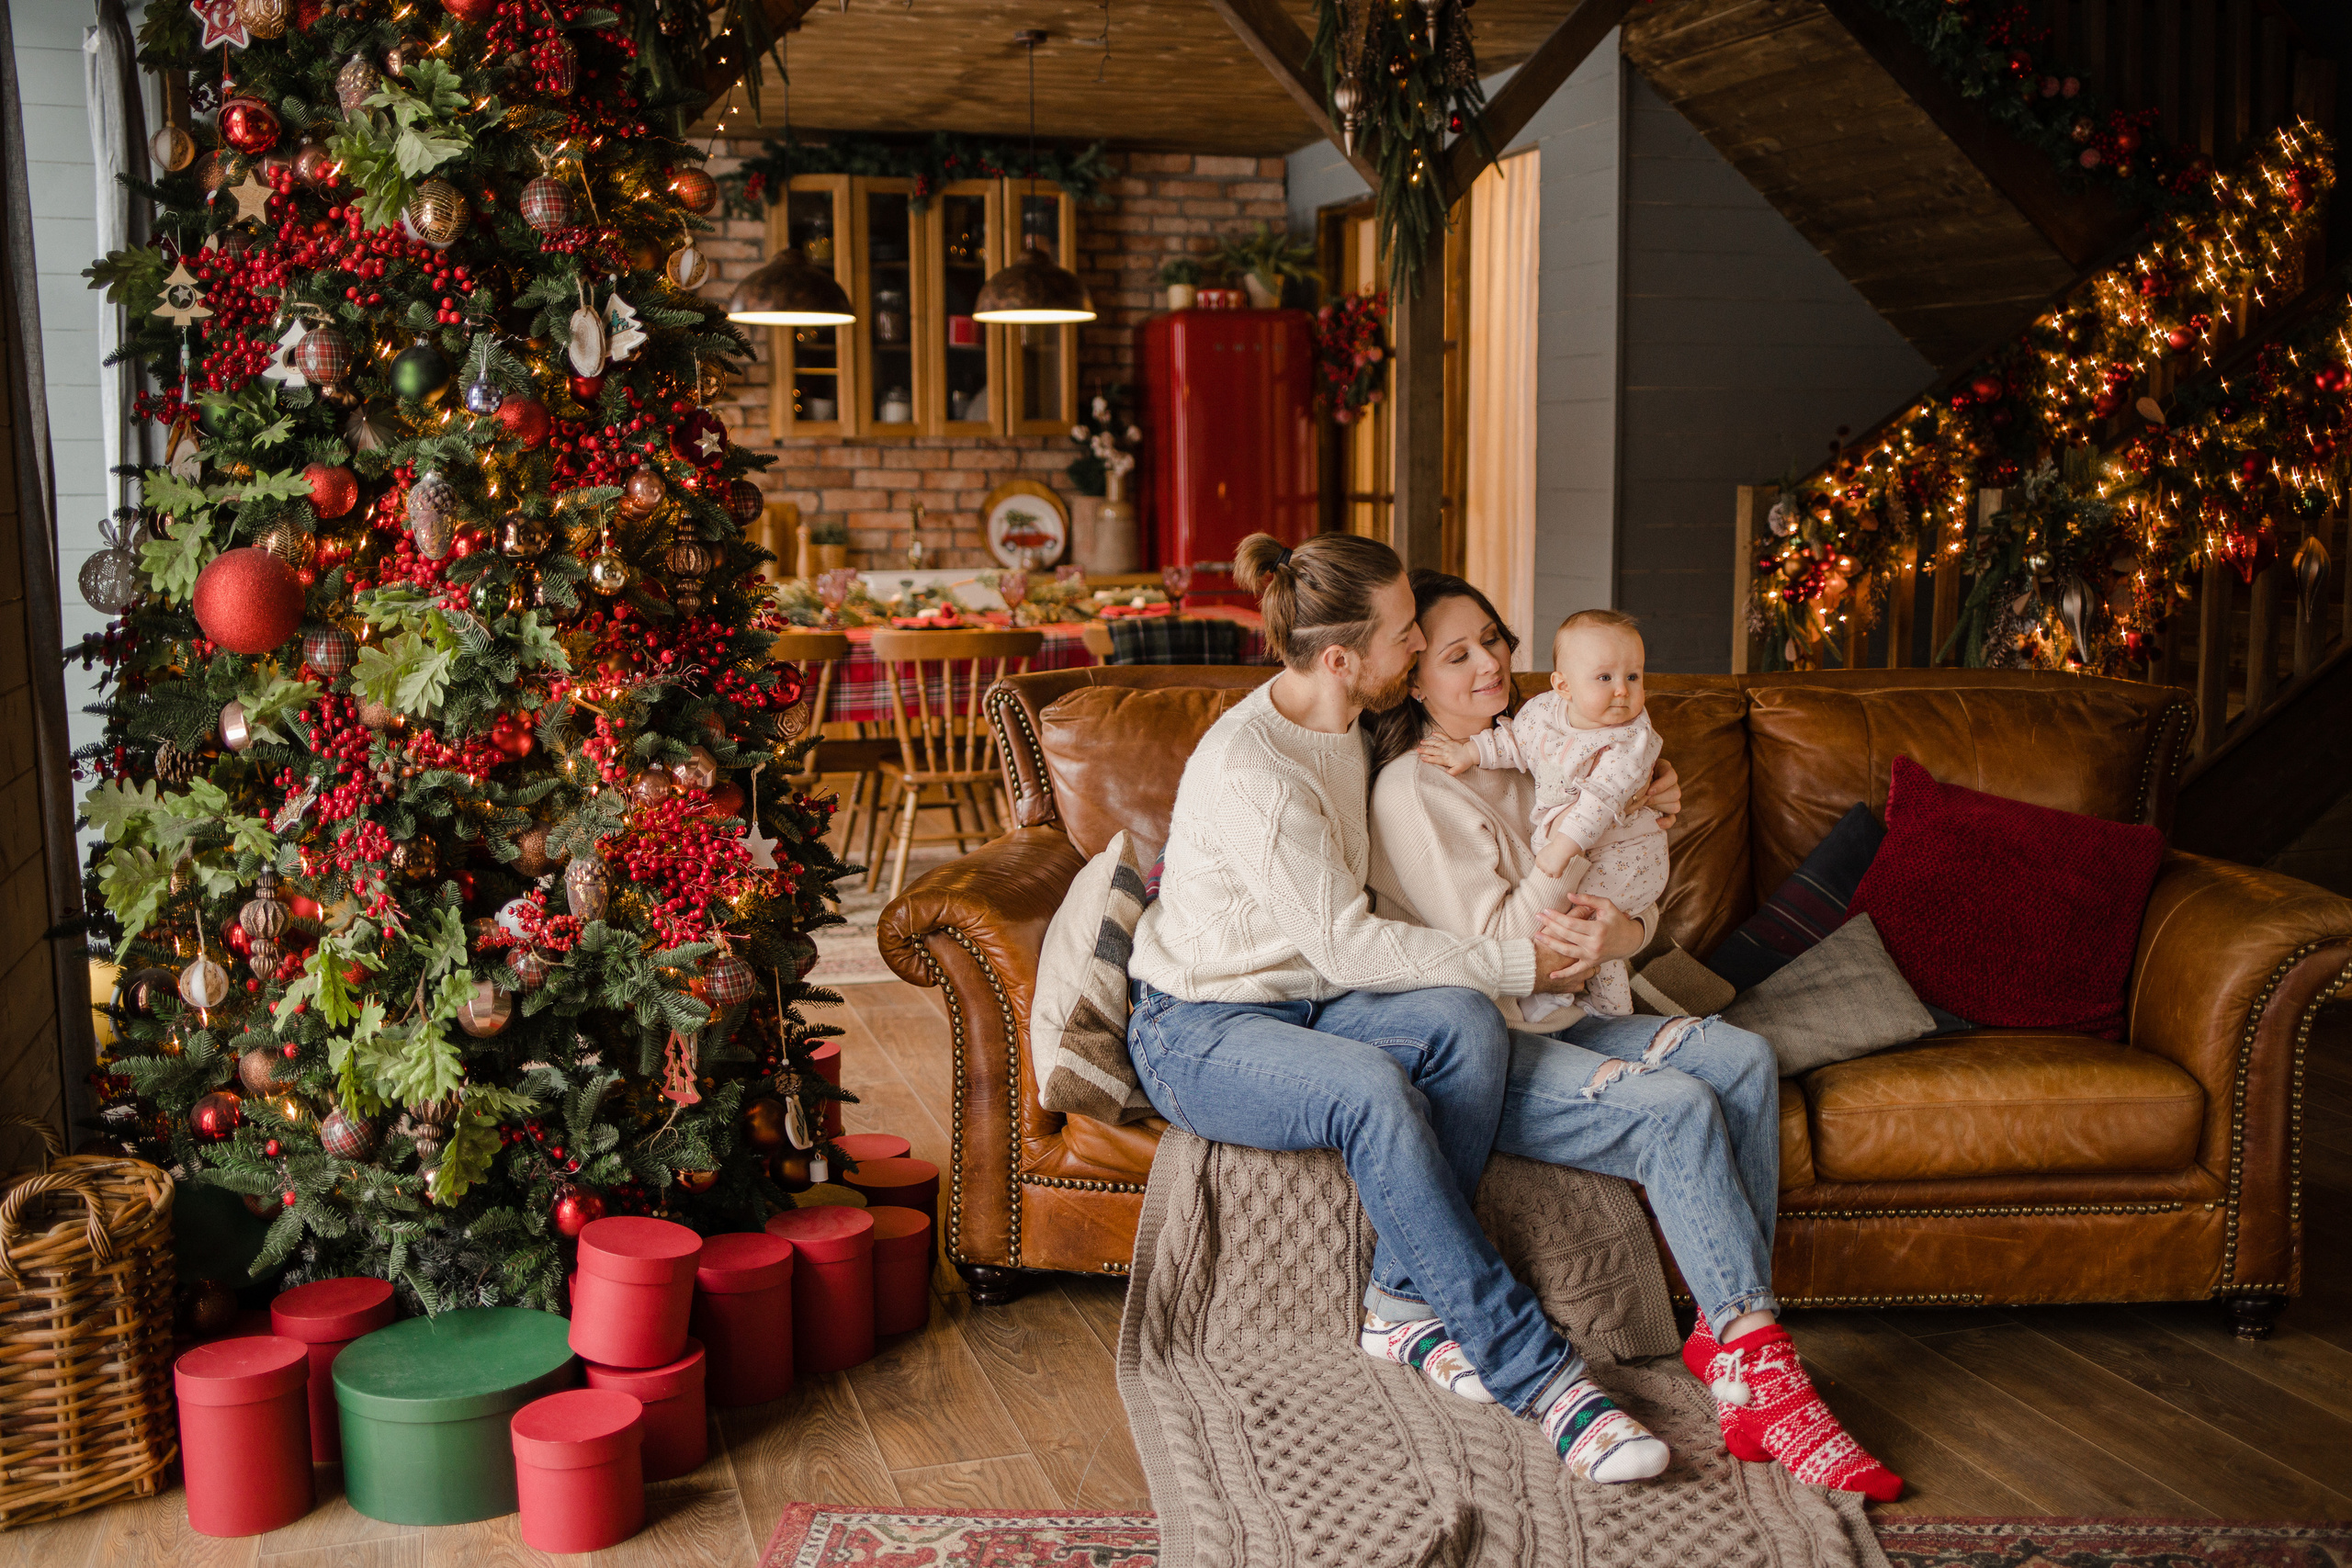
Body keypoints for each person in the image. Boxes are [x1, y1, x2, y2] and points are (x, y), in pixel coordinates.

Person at [1126, 532, 1669, 1484]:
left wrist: (1625, 792)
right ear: (1346, 660)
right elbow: (1346, 945)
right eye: (1409, 633)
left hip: (1308, 1001)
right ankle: (1541, 1380)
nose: (1424, 644)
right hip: (1202, 1026)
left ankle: (1399, 1308)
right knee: (1372, 1090)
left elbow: (1541, 758)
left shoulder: (1340, 720)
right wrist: (1510, 956)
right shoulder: (1261, 775)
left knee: (1459, 1020)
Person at [1363, 571, 1904, 1504]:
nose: (1491, 661)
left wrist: (1624, 925)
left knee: (1741, 1055)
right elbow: (1503, 951)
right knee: (1675, 1112)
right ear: (1413, 679)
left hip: (1575, 1009)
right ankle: (1768, 1374)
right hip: (1488, 1045)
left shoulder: (1549, 738)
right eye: (1457, 655)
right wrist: (1592, 838)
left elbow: (1620, 908)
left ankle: (1736, 1355)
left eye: (1492, 638)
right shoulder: (1414, 792)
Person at [1417, 607, 1667, 1023]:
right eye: (1458, 656)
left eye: (1634, 677)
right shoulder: (1540, 716)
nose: (1622, 691)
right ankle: (1603, 1014)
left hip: (1625, 860)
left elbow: (1600, 801)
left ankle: (1610, 1013)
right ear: (1562, 685)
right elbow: (1513, 741)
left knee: (1587, 924)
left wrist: (1628, 935)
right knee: (1581, 929)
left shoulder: (1630, 737)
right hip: (1516, 1017)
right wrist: (1469, 752)